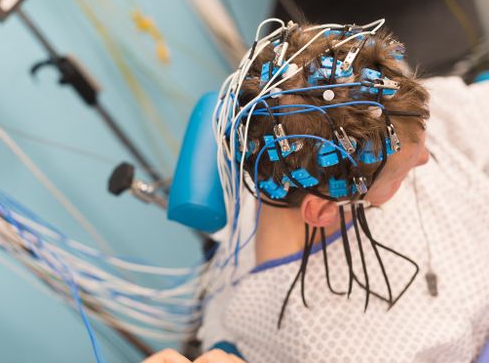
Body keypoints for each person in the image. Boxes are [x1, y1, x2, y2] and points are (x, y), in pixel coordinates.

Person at [193, 18, 489, 362]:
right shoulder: (325, 342)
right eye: (401, 176)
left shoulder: (367, 123)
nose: (426, 158)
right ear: (322, 210)